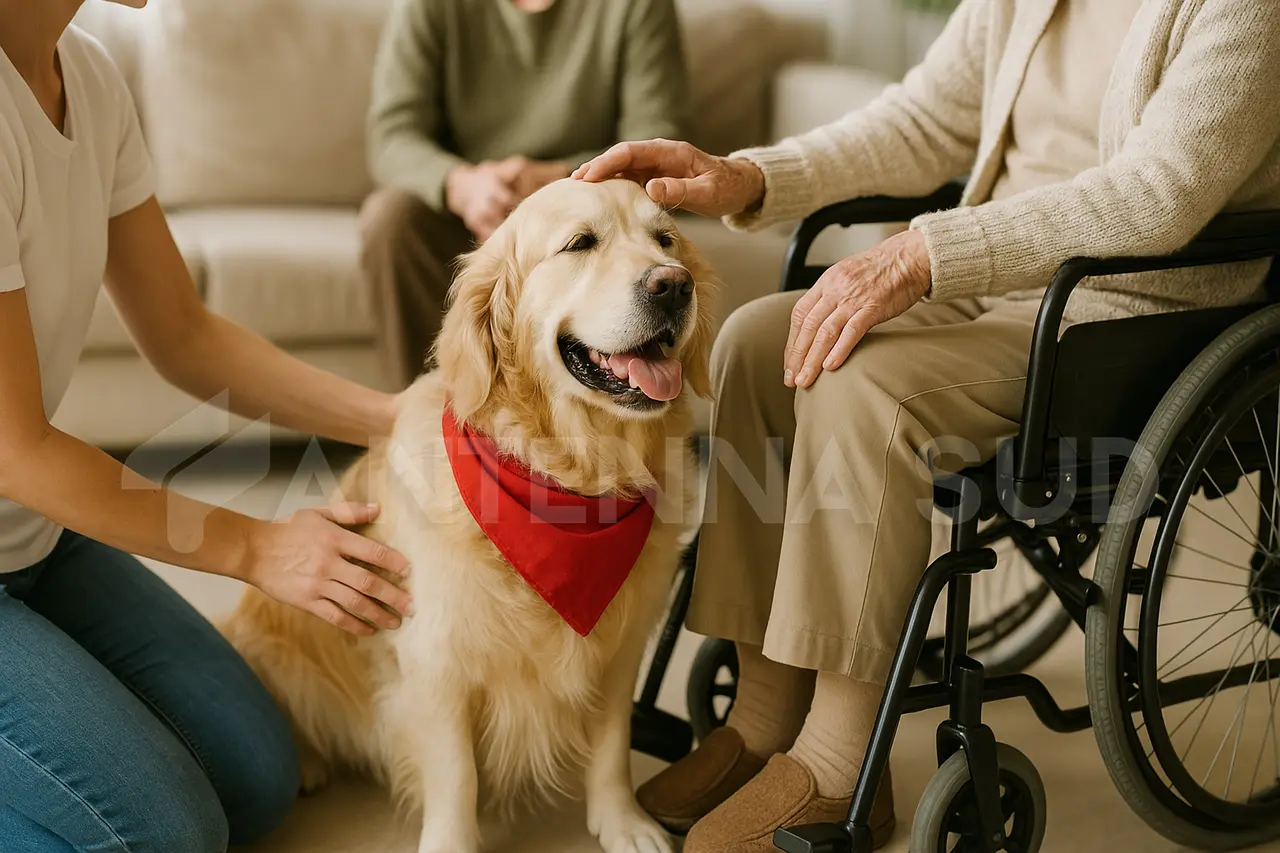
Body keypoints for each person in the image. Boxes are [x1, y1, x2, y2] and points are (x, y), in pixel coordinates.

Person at [575, 0, 1280, 850]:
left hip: (1120, 313)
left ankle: (839, 772)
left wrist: (922, 254)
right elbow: (927, 117)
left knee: (864, 386)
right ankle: (763, 718)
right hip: (994, 283)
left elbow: (1157, 197)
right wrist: (753, 177)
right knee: (758, 343)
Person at [0, 1, 418, 850]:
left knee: (256, 774)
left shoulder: (84, 73)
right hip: (19, 482)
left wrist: (391, 415)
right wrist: (259, 548)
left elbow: (184, 333)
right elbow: (16, 450)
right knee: (158, 833)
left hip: (31, 541)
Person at [360, 0, 689, 389]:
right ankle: (415, 413)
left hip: (586, 201)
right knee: (391, 220)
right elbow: (392, 135)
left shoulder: (639, 6)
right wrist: (463, 185)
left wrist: (556, 181)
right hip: (470, 204)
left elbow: (655, 137)